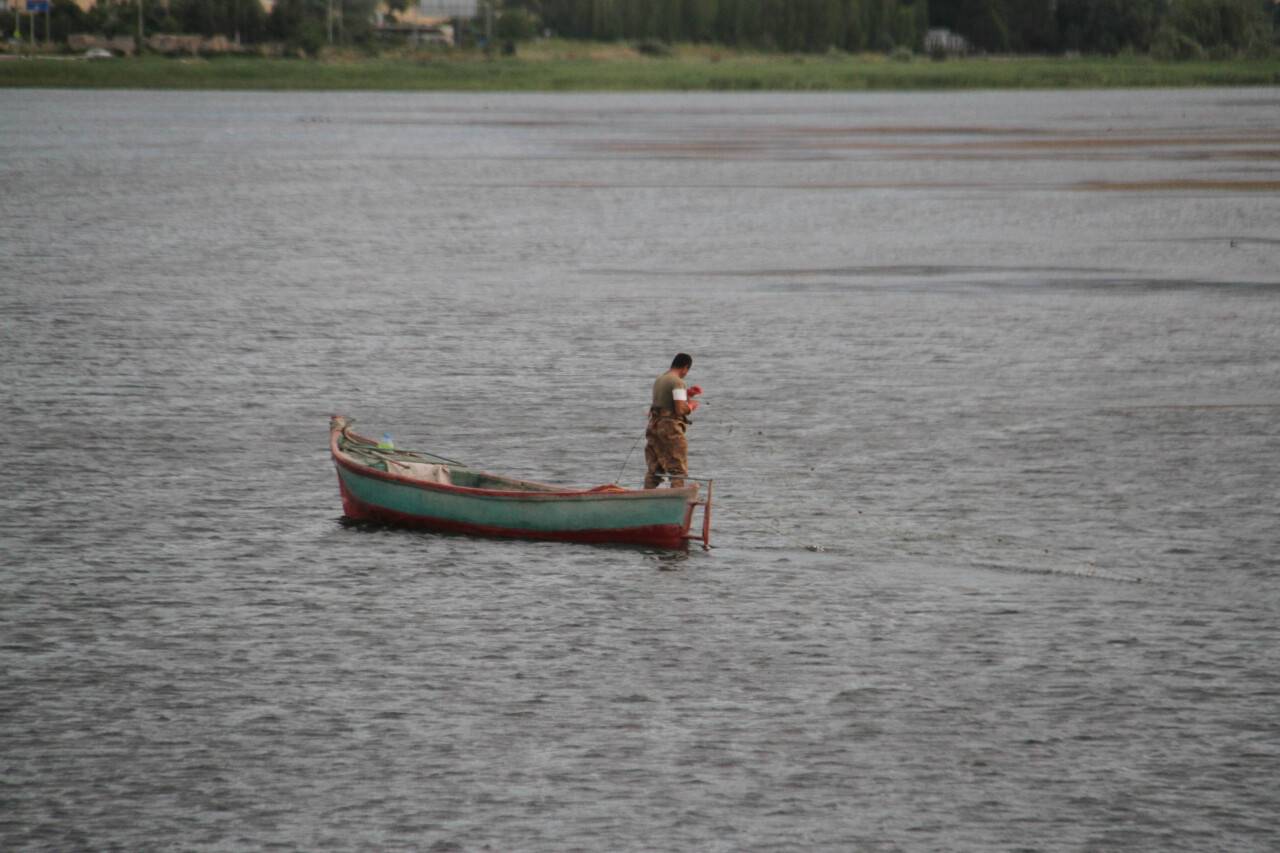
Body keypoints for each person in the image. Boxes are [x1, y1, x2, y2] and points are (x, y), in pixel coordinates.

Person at [644, 353, 703, 489]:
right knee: (678, 469)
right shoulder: (677, 382)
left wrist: (687, 394)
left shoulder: (660, 379)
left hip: (654, 426)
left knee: (654, 469)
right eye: (687, 371)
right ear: (685, 367)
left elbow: (666, 400)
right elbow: (680, 409)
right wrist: (691, 406)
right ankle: (677, 500)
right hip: (670, 428)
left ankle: (646, 497)